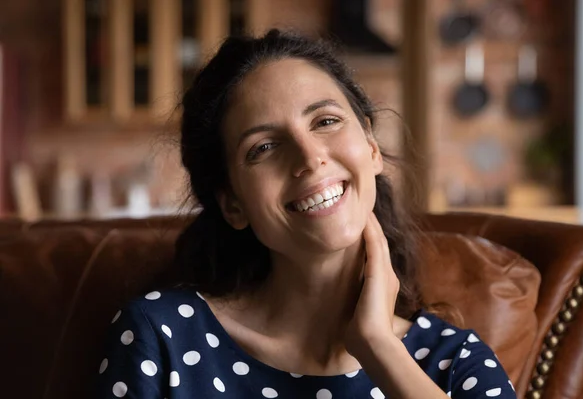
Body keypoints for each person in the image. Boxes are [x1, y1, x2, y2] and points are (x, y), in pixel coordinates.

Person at [97, 30, 516, 398]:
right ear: (232, 204)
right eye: (264, 147)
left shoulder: (456, 361)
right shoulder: (161, 335)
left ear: (370, 147)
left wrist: (380, 349)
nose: (310, 157)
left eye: (326, 121)